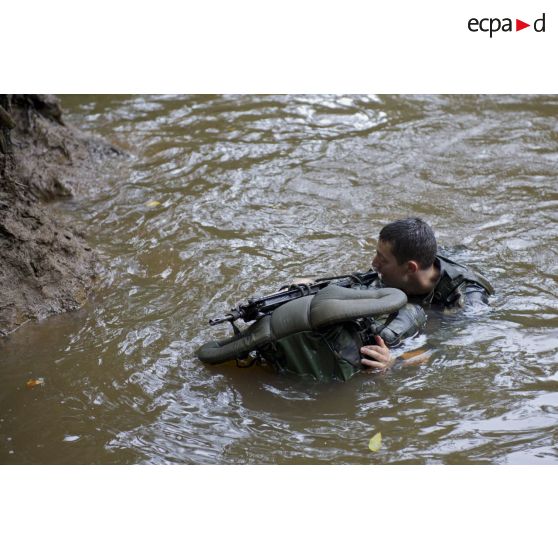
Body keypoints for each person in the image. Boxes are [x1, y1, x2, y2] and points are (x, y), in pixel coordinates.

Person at [360, 217, 494, 370]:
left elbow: (445, 347)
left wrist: (395, 361)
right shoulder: (391, 273)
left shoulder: (466, 298)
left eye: (382, 259)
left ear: (410, 268)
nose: (374, 263)